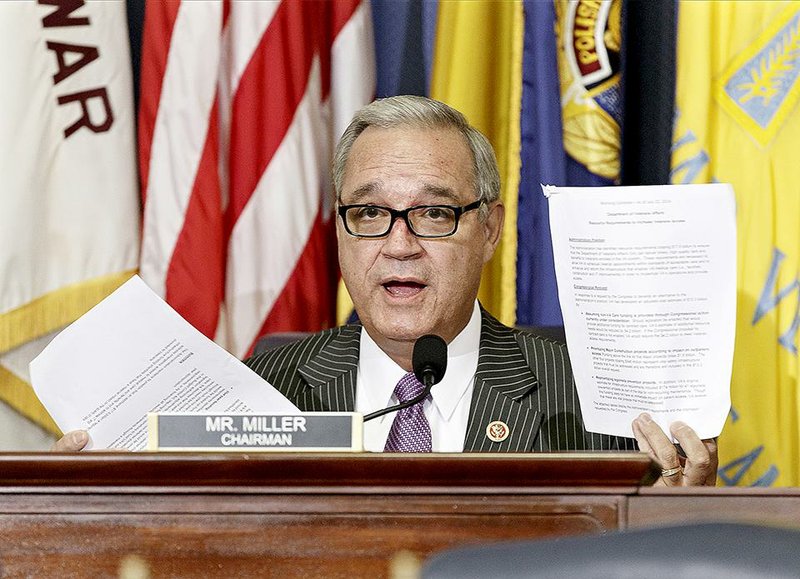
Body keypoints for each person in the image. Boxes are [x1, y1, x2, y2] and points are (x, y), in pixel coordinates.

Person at [54, 95, 717, 486]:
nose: (399, 244)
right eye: (369, 214)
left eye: (433, 212)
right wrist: (91, 504)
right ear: (340, 229)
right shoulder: (269, 383)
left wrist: (683, 519)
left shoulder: (589, 397)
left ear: (489, 228)